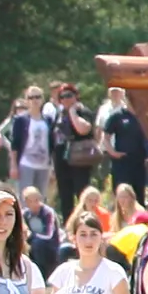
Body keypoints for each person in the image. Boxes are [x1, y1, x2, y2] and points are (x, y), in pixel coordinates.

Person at [49, 82, 100, 211]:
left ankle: (85, 220)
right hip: (61, 157)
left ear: (76, 96)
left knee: (82, 191)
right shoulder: (58, 115)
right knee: (65, 194)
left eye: (69, 95)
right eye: (62, 97)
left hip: (79, 158)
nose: (66, 99)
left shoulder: (83, 111)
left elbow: (83, 129)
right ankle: (68, 224)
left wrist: (73, 112)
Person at [5, 87, 54, 202]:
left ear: (42, 99)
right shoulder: (20, 120)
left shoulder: (48, 120)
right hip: (26, 164)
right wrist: (13, 166)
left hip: (44, 165)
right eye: (31, 97)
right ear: (27, 100)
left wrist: (53, 167)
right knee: (25, 198)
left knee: (40, 199)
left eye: (38, 97)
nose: (34, 100)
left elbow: (52, 145)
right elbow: (15, 144)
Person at [101, 88, 148, 195]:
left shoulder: (144, 116)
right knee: (122, 192)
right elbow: (105, 137)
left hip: (140, 161)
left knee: (139, 193)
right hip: (122, 161)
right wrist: (112, 152)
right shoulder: (117, 115)